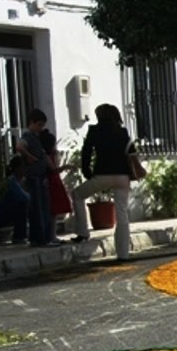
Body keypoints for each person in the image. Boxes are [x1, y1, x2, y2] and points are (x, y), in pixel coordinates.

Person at [72, 103, 134, 260]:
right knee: (122, 214)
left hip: (103, 174)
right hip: (122, 176)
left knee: (78, 195)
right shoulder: (122, 131)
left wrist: (87, 171)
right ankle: (123, 254)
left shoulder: (95, 130)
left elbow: (86, 151)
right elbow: (131, 151)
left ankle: (82, 232)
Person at [15, 109, 51, 246]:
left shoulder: (36, 137)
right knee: (37, 208)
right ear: (32, 122)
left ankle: (41, 237)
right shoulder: (28, 136)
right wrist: (30, 158)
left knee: (42, 206)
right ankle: (39, 238)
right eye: (39, 124)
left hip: (40, 175)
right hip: (34, 175)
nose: (41, 128)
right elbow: (19, 146)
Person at [40, 128, 74, 244]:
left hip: (54, 180)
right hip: (51, 181)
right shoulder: (45, 156)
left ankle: (53, 235)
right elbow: (53, 169)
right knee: (52, 210)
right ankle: (51, 236)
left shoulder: (51, 155)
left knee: (54, 211)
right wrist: (65, 167)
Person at [0, 155, 30, 243]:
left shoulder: (22, 181)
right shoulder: (12, 181)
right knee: (22, 204)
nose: (25, 169)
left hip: (10, 213)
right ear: (17, 168)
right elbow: (23, 197)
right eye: (23, 166)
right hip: (2, 216)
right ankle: (19, 236)